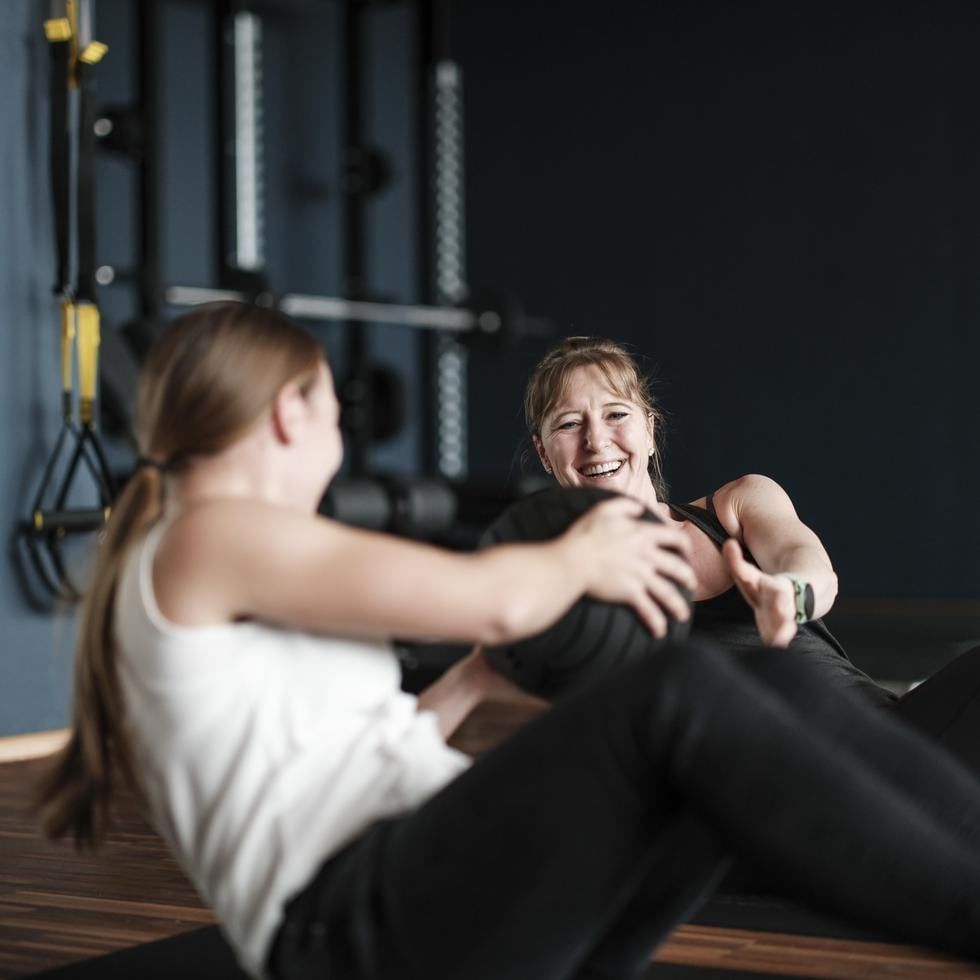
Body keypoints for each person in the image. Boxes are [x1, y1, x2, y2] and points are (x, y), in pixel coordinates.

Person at [36, 302, 980, 980]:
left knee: (751, 704)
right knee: (681, 695)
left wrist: (477, 679)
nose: (334, 433)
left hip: (417, 880)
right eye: (332, 411)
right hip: (355, 925)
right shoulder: (212, 534)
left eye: (614, 416)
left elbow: (372, 738)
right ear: (292, 411)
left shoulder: (225, 549)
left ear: (651, 428)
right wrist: (580, 559)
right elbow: (489, 598)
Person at [523, 335, 980, 773]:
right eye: (569, 423)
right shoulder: (554, 584)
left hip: (887, 738)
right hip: (784, 791)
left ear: (649, 429)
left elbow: (809, 564)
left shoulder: (736, 504)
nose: (596, 440)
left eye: (616, 414)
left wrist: (788, 594)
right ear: (545, 454)